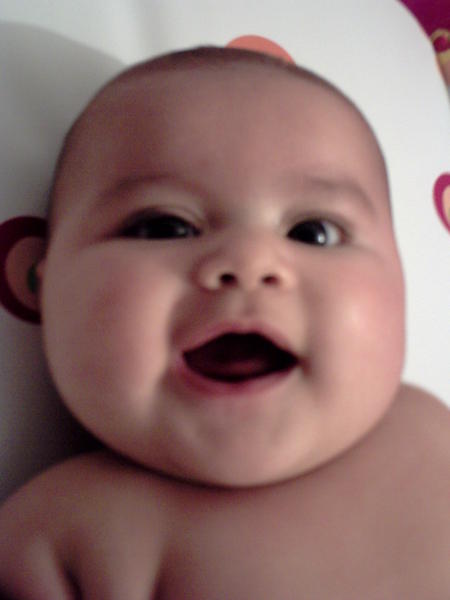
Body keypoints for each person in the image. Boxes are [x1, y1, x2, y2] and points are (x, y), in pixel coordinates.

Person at [0, 47, 448, 599]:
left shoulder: (432, 432)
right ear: (43, 286)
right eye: (165, 227)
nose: (248, 262)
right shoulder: (60, 540)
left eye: (313, 233)